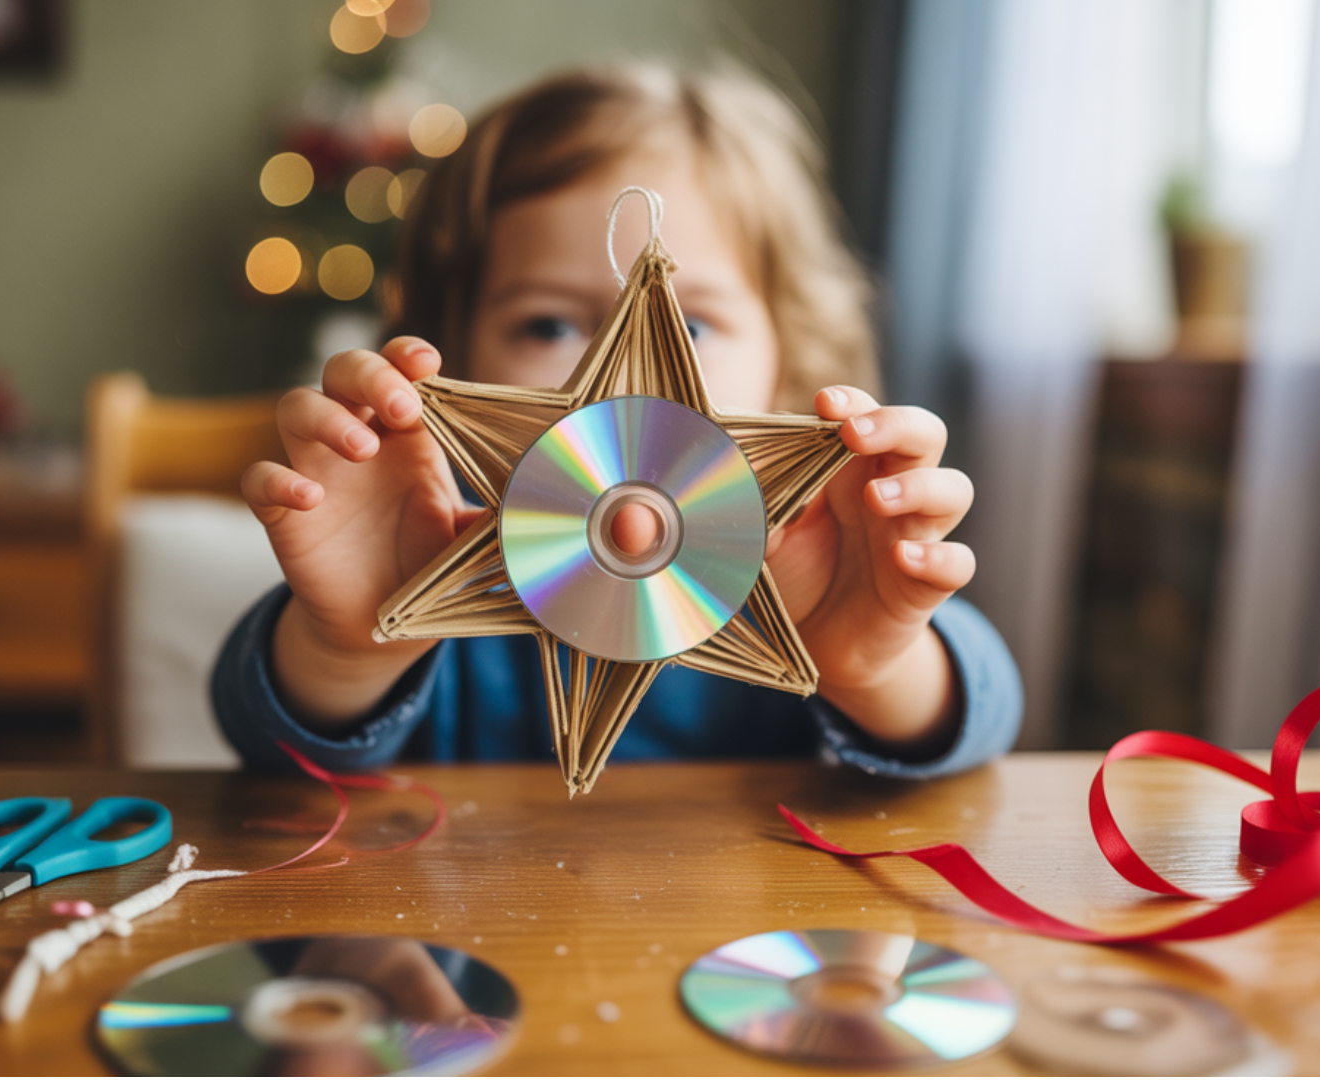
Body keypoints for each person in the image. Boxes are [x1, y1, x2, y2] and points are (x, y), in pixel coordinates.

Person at [213, 65, 1020, 779]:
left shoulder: (818, 556)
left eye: (692, 327)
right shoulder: (428, 557)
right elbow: (264, 744)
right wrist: (347, 649)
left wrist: (875, 667)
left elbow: (987, 713)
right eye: (548, 325)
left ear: (791, 355)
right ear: (451, 355)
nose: (622, 372)